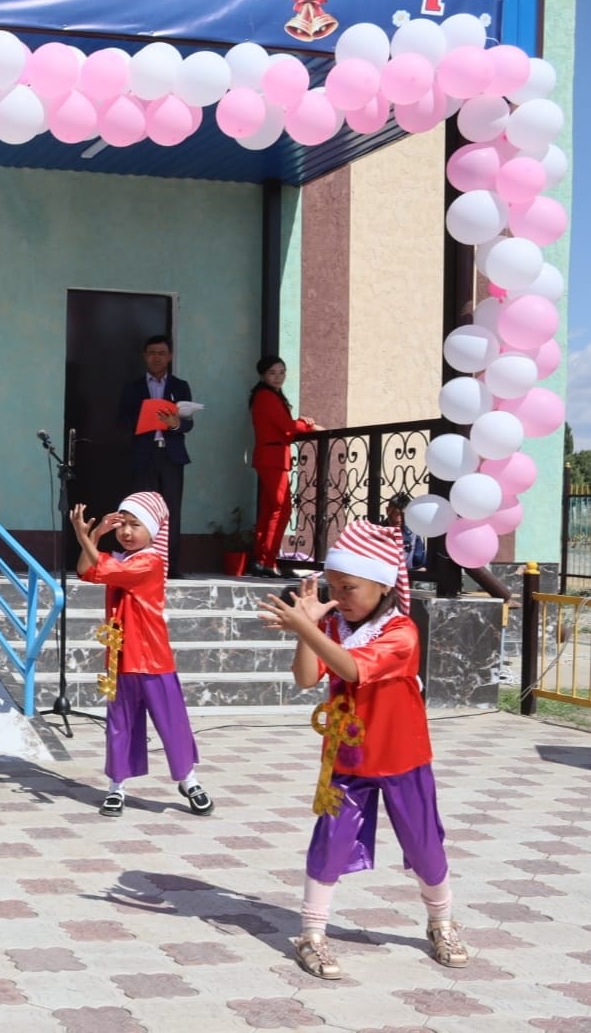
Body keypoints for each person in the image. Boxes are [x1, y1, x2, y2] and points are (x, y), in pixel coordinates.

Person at [257, 520, 468, 980]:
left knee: (423, 843)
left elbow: (352, 669)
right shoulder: (331, 626)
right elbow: (306, 678)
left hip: (402, 756)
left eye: (348, 587)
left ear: (382, 585)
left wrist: (307, 626)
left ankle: (442, 921)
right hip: (347, 757)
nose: (339, 596)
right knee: (330, 841)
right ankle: (312, 933)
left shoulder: (401, 632)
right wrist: (308, 629)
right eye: (332, 586)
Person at [69, 491, 213, 819]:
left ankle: (189, 780)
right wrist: (94, 535)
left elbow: (104, 569)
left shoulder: (150, 562)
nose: (126, 531)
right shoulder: (120, 560)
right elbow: (85, 570)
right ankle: (116, 786)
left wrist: (85, 537)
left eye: (135, 525)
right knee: (119, 725)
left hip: (153, 659)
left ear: (152, 529)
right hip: (120, 659)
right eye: (123, 524)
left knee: (172, 723)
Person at [117, 336, 193, 573]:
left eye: (161, 353)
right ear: (144, 356)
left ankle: (170, 566)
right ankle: (141, 563)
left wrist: (174, 424)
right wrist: (144, 419)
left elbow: (188, 424)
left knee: (171, 510)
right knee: (141, 510)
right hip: (144, 455)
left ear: (169, 356)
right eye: (151, 353)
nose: (156, 358)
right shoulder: (133, 387)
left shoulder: (180, 386)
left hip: (171, 456)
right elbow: (122, 420)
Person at [249, 356, 319, 578]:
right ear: (263, 375)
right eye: (272, 373)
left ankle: (261, 560)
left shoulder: (268, 395)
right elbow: (287, 427)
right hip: (273, 457)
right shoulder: (266, 396)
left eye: (282, 372)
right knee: (281, 509)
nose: (278, 377)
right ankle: (267, 561)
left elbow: (284, 426)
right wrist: (308, 424)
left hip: (272, 457)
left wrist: (300, 424)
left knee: (270, 509)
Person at [385, 494, 428, 571]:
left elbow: (420, 562)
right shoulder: (378, 531)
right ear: (387, 510)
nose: (398, 519)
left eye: (403, 515)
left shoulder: (413, 534)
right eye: (395, 513)